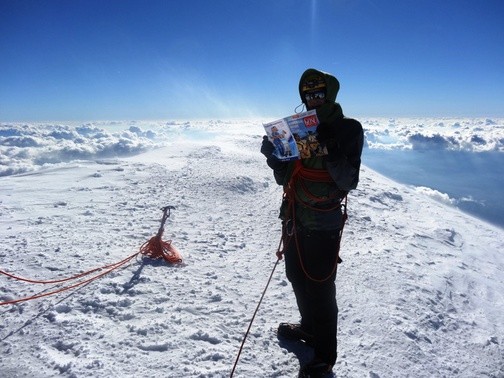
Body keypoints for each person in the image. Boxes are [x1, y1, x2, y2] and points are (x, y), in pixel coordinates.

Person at [261, 68, 363, 377]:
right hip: (293, 216)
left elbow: (348, 181)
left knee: (320, 288)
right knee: (296, 276)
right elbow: (286, 177)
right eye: (308, 95)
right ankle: (308, 328)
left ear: (330, 93)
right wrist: (275, 159)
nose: (313, 99)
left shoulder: (347, 128)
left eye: (319, 94)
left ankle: (324, 355)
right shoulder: (297, 129)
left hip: (323, 221)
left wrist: (330, 148)